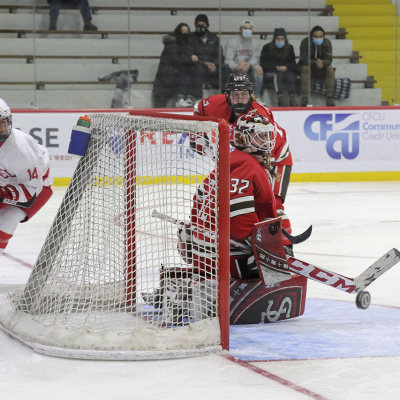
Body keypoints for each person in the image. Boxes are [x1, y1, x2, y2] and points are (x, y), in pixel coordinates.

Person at [194, 73, 293, 240]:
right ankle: (245, 243)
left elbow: (266, 148)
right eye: (235, 95)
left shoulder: (260, 115)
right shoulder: (215, 104)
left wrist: (263, 171)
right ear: (227, 96)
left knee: (272, 203)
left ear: (251, 95)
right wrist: (197, 136)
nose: (240, 99)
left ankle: (283, 245)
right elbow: (199, 109)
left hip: (275, 157)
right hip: (246, 157)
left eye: (244, 95)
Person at [0, 98, 53, 258]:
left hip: (36, 187)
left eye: (3, 122)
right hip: (5, 183)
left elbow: (30, 193)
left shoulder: (20, 149)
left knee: (7, 220)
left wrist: (3, 195)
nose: (2, 127)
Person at [153, 23, 201, 108]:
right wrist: (190, 59)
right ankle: (181, 99)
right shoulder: (172, 45)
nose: (185, 34)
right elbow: (175, 60)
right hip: (165, 81)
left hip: (172, 79)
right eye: (183, 31)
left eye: (187, 32)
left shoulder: (185, 46)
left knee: (194, 71)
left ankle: (191, 98)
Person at [224, 20, 264, 103]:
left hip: (249, 67)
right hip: (235, 67)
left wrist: (248, 64)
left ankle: (257, 97)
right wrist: (237, 67)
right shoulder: (232, 42)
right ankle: (229, 97)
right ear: (240, 30)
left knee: (258, 69)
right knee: (226, 69)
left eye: (250, 28)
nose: (248, 30)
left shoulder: (255, 43)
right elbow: (228, 60)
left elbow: (255, 59)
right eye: (245, 28)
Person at [260, 28, 299, 107]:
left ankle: (292, 98)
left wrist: (286, 67)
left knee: (290, 75)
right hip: (271, 71)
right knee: (278, 75)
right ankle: (280, 98)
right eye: (278, 39)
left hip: (285, 70)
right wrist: (275, 67)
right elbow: (263, 64)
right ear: (274, 39)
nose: (280, 41)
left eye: (282, 39)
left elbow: (293, 65)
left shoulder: (289, 48)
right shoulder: (267, 47)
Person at [187, 14, 225, 96]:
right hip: (199, 66)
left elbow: (219, 54)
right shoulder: (191, 38)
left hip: (213, 67)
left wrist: (214, 64)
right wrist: (204, 63)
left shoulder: (214, 38)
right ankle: (198, 98)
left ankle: (225, 97)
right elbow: (191, 55)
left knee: (225, 69)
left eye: (203, 25)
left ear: (207, 25)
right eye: (198, 25)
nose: (201, 27)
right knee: (197, 68)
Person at [298, 25, 336, 107]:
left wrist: (322, 63)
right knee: (304, 68)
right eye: (315, 37)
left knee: (330, 68)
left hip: (322, 68)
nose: (318, 38)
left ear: (324, 36)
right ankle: (305, 97)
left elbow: (329, 59)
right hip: (310, 68)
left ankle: (329, 97)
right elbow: (303, 59)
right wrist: (315, 63)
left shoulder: (327, 43)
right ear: (311, 37)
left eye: (320, 36)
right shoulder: (305, 42)